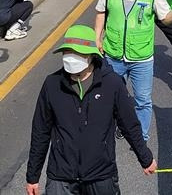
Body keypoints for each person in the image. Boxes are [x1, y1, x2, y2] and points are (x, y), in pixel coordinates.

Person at [25, 24, 157, 195]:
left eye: (77, 53)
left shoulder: (112, 84)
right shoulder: (52, 84)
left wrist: (145, 158)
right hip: (61, 176)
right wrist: (32, 176)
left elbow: (129, 125)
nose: (70, 57)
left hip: (101, 176)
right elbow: (40, 132)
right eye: (67, 52)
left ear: (91, 57)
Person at [94, 0, 172, 140]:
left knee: (143, 100)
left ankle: (140, 137)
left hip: (142, 58)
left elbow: (165, 18)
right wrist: (97, 38)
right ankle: (111, 130)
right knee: (111, 97)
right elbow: (101, 12)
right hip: (113, 53)